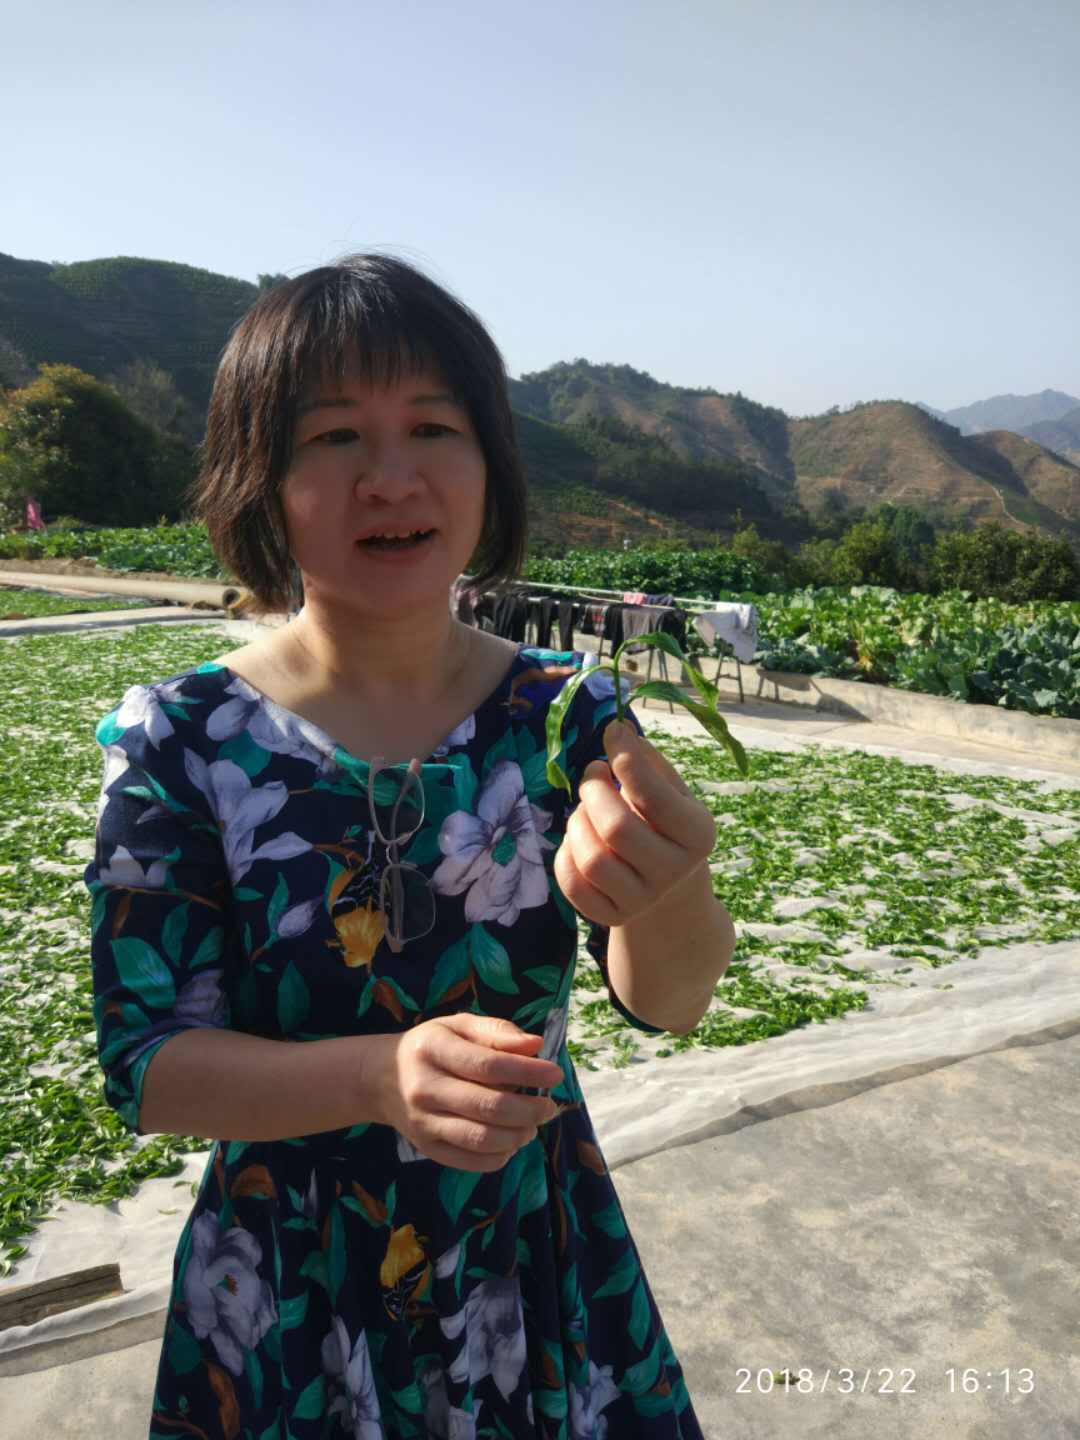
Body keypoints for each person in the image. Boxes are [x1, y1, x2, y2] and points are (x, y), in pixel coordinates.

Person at [84, 254, 736, 1439]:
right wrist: (375, 1079)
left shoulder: (563, 711)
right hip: (288, 1278)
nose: (391, 476)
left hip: (530, 1255)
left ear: (488, 464)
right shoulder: (180, 739)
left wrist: (666, 890)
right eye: (334, 438)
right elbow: (148, 1063)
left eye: (433, 426)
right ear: (263, 483)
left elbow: (674, 1001)